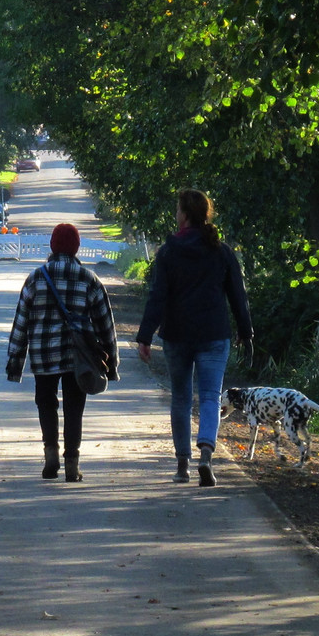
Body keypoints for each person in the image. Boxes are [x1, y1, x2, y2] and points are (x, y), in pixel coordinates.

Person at [136, 189, 253, 487]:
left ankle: (181, 465)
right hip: (214, 334)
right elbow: (238, 295)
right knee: (211, 396)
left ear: (185, 214)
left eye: (178, 210)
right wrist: (245, 330)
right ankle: (206, 455)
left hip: (177, 335)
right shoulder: (222, 251)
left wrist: (145, 336)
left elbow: (158, 296)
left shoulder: (168, 251)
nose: (176, 215)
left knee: (181, 398)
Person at [6, 223, 119, 482]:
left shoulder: (36, 278)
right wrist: (111, 363)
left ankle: (50, 457)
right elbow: (105, 324)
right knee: (74, 407)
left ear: (52, 246)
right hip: (77, 357)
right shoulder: (89, 279)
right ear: (77, 247)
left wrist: (15, 361)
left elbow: (21, 322)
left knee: (45, 404)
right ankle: (71, 464)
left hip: (43, 355)